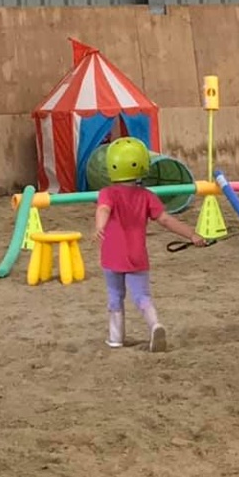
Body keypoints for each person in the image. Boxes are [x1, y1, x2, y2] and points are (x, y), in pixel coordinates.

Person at [95, 137, 205, 352]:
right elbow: (166, 219)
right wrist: (191, 235)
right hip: (137, 256)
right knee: (142, 296)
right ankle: (155, 324)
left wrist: (100, 226)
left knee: (115, 297)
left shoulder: (106, 193)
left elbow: (103, 209)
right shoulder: (147, 196)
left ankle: (116, 337)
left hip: (111, 257)